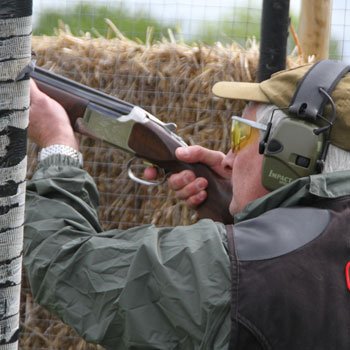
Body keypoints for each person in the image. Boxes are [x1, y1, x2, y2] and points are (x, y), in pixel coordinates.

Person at [24, 60, 350, 350]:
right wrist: (246, 212)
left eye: (241, 136)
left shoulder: (240, 268)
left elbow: (67, 264)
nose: (229, 156)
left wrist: (58, 146)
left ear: (293, 155)